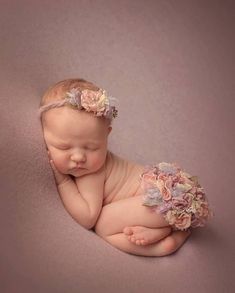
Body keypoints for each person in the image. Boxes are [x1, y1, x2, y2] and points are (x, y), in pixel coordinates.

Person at [39, 78, 212, 257]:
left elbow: (87, 217)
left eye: (92, 148)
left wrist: (62, 181)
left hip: (162, 201)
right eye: (64, 147)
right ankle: (162, 229)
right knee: (119, 217)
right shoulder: (87, 160)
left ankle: (165, 243)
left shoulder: (91, 173)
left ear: (107, 136)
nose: (79, 158)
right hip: (172, 193)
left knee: (103, 225)